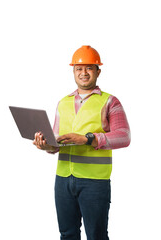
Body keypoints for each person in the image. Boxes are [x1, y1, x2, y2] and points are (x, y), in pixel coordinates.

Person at [33, 45, 131, 240]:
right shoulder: (63, 102)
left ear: (98, 71)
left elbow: (124, 136)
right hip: (63, 179)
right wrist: (47, 146)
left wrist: (89, 139)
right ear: (73, 72)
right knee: (67, 234)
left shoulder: (110, 101)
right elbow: (56, 140)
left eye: (89, 68)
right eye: (79, 68)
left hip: (94, 182)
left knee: (96, 236)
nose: (83, 73)